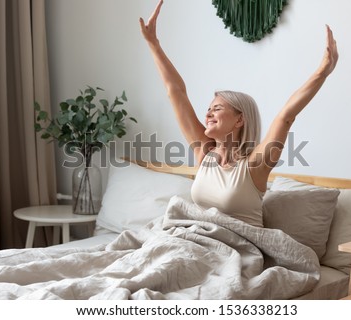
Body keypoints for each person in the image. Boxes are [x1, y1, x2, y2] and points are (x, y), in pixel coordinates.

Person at [139, 0, 339, 227]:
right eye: (208, 109)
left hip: (239, 247)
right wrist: (153, 44)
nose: (208, 115)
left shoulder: (255, 165)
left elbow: (286, 116)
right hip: (198, 239)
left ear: (240, 120)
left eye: (217, 108)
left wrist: (323, 72)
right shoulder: (205, 154)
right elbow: (176, 92)